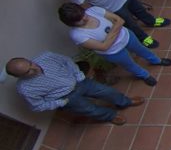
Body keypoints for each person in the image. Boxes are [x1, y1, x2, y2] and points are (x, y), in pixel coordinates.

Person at [6, 53, 143, 125]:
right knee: (90, 110)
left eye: (30, 64)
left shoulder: (46, 57)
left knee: (107, 91)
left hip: (80, 82)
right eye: (28, 71)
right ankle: (111, 116)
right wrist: (60, 103)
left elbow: (66, 60)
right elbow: (37, 106)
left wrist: (78, 74)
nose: (34, 68)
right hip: (66, 98)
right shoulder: (25, 88)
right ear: (20, 76)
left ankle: (125, 101)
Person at [57, 3, 171, 86]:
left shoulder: (94, 10)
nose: (85, 18)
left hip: (127, 37)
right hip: (113, 52)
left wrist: (109, 36)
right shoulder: (77, 35)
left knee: (142, 50)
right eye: (80, 20)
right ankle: (144, 75)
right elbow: (104, 47)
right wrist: (115, 29)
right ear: (71, 23)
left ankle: (156, 60)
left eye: (83, 15)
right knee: (129, 64)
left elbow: (120, 20)